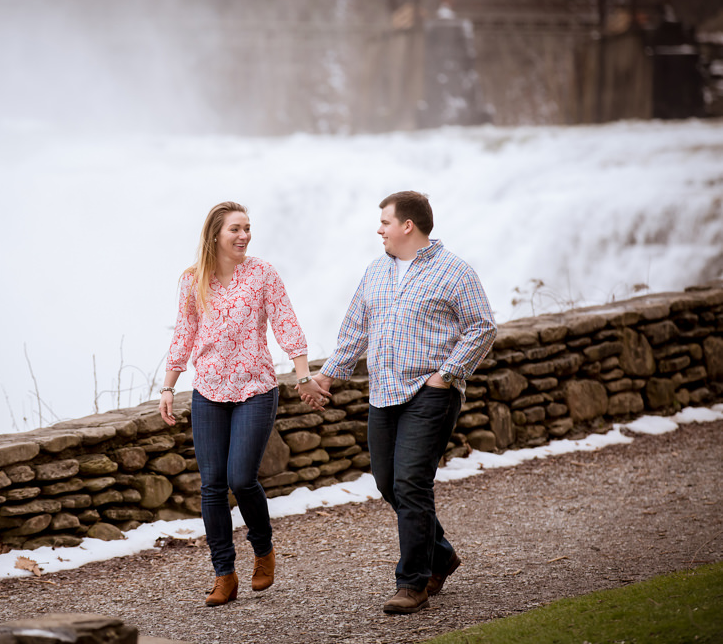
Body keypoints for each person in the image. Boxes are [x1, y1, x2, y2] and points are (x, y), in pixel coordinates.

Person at [309, 191, 496, 615]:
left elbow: (482, 327)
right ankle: (442, 555)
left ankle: (413, 583)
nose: (380, 229)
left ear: (407, 225)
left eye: (385, 222)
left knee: (411, 483)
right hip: (383, 393)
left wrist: (446, 376)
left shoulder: (455, 272)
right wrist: (325, 376)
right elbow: (355, 332)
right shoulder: (376, 271)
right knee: (388, 482)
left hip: (428, 394)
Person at [159, 201, 329, 607]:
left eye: (247, 228)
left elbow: (286, 321)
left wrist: (302, 374)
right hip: (208, 393)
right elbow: (184, 333)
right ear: (215, 234)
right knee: (212, 486)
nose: (244, 236)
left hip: (256, 388)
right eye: (236, 229)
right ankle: (224, 574)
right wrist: (168, 387)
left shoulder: (262, 273)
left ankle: (264, 549)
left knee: (240, 478)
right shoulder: (192, 280)